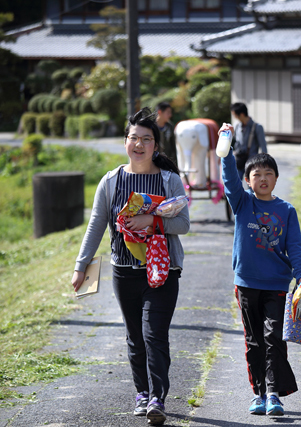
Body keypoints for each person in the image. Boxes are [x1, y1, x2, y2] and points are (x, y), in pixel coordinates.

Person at [71, 107, 189, 426]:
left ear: (156, 146)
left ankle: (157, 398)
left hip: (163, 271)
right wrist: (81, 266)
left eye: (146, 139)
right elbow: (96, 224)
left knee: (154, 335)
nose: (139, 144)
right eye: (133, 138)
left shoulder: (169, 180)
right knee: (135, 336)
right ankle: (142, 393)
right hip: (123, 272)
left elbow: (184, 223)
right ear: (125, 142)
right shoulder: (111, 181)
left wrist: (152, 220)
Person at [219, 123, 301, 417]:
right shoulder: (242, 203)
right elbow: (229, 178)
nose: (263, 178)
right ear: (248, 180)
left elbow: (294, 245)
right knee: (254, 340)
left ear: (277, 178)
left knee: (274, 338)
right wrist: (227, 147)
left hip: (277, 284)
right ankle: (257, 393)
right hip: (246, 283)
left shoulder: (287, 210)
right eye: (257, 174)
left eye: (269, 173)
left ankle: (273, 395)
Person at [231, 102, 267, 181]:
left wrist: (264, 163)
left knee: (252, 187)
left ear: (242, 114)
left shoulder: (257, 127)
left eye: (235, 115)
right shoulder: (237, 125)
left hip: (252, 162)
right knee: (236, 184)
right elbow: (235, 142)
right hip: (239, 161)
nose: (235, 117)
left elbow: (263, 146)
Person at [156, 102, 178, 168]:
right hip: (152, 163)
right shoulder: (150, 127)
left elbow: (173, 146)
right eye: (168, 112)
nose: (170, 115)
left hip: (166, 163)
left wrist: (175, 165)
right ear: (160, 112)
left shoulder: (170, 127)